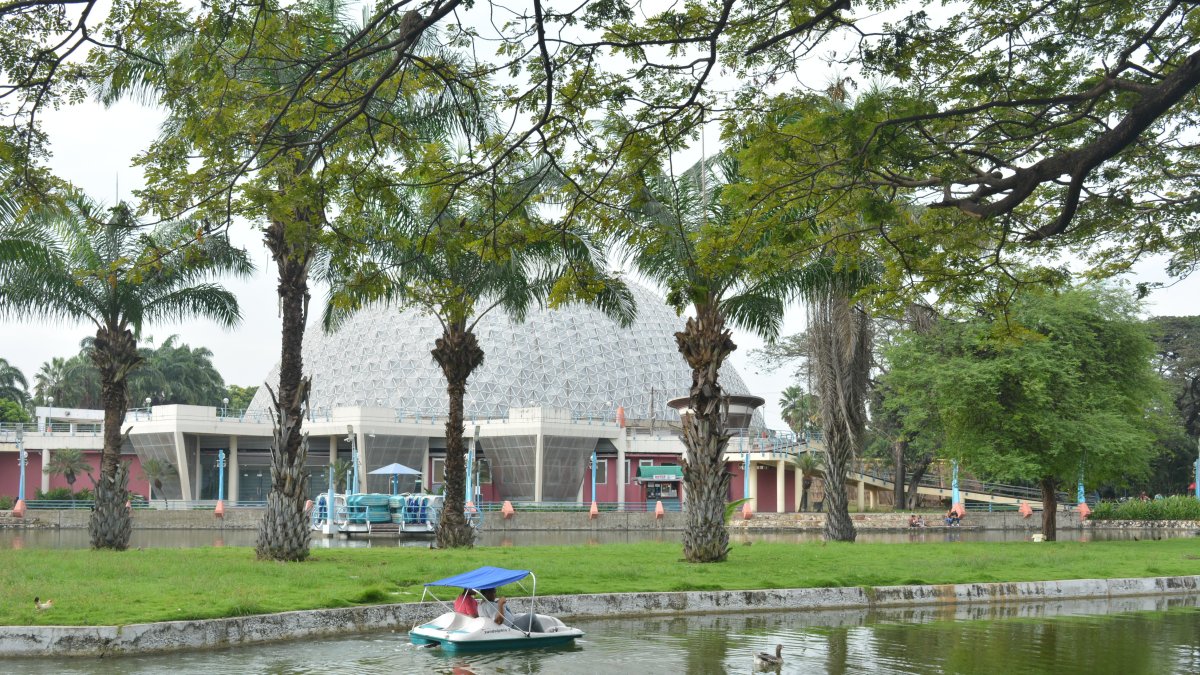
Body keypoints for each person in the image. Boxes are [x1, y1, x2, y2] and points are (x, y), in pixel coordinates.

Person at [478, 587, 543, 633]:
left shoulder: (481, 604)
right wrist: (500, 604)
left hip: (510, 623)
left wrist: (498, 604)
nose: (495, 594)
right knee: (531, 616)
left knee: (521, 615)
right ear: (487, 593)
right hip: (510, 628)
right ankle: (543, 635)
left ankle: (534, 634)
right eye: (494, 592)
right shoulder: (489, 605)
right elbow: (498, 621)